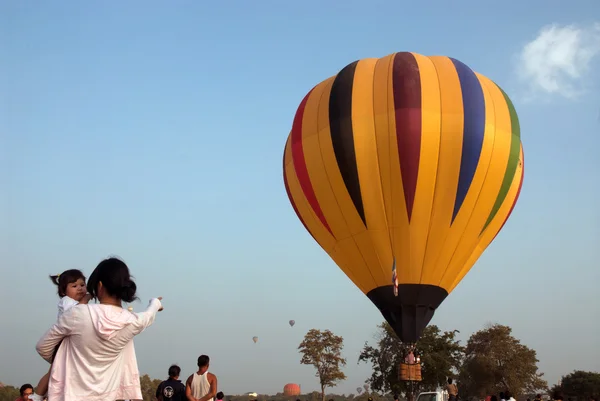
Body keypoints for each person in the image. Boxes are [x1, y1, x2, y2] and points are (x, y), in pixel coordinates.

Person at [36, 257, 163, 401]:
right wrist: (156, 303)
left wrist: (64, 363)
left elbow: (43, 347)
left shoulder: (77, 314)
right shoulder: (131, 321)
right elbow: (148, 316)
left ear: (100, 286)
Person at [29, 270, 91, 401]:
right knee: (53, 371)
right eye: (74, 286)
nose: (80, 288)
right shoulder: (67, 301)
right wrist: (86, 299)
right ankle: (38, 395)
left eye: (82, 285)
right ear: (64, 292)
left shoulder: (80, 304)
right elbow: (74, 313)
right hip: (63, 343)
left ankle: (42, 395)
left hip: (71, 342)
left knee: (57, 371)